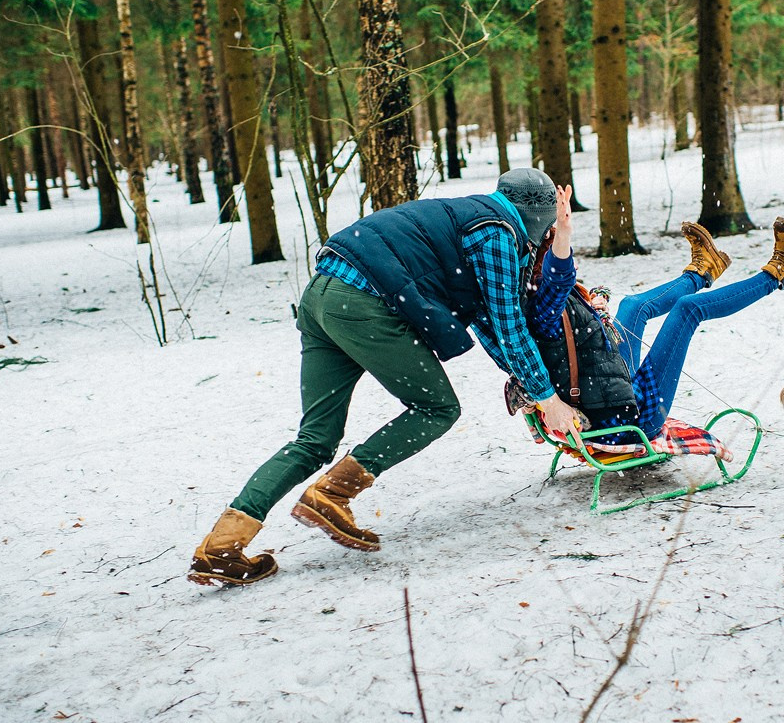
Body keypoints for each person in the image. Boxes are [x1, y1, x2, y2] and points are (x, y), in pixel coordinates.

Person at [189, 168, 584, 586]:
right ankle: (332, 495)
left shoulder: (472, 214)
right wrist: (548, 398)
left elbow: (487, 320)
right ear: (537, 217)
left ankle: (222, 545)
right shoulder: (498, 232)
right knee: (437, 409)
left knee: (315, 439)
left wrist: (525, 380)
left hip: (323, 295)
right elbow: (508, 323)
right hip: (365, 304)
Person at [516, 185, 784, 446]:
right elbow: (559, 278)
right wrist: (563, 236)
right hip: (627, 420)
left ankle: (702, 271)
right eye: (555, 248)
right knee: (688, 310)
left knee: (633, 306)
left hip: (607, 391)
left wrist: (593, 313)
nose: (572, 261)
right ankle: (780, 273)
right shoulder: (544, 305)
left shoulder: (539, 298)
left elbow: (562, 302)